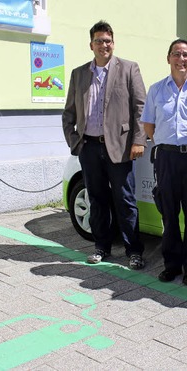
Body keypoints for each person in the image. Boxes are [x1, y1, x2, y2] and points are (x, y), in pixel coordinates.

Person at [62, 20, 147, 270]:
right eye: (98, 41)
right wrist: (74, 141)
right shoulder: (79, 74)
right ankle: (101, 246)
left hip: (120, 147)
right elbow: (68, 113)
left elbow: (140, 108)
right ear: (91, 45)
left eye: (107, 41)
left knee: (125, 199)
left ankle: (134, 251)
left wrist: (139, 140)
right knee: (96, 199)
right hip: (88, 147)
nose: (103, 45)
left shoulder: (128, 69)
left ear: (113, 43)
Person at [141, 38, 187, 285]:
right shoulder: (156, 90)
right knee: (169, 214)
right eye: (176, 54)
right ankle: (171, 265)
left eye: (185, 55)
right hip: (166, 158)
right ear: (168, 58)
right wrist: (166, 142)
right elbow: (148, 125)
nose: (181, 59)